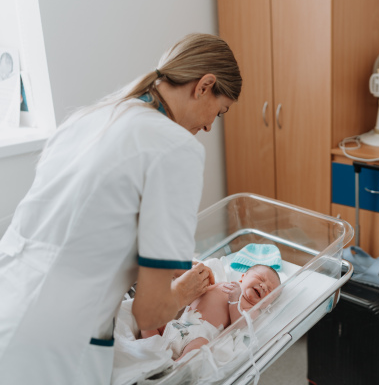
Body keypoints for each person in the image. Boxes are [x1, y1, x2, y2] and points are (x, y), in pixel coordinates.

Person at [0, 33, 242, 384]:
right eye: (219, 112)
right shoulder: (177, 147)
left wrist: (163, 266)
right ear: (205, 85)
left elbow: (82, 227)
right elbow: (149, 313)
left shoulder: (91, 117)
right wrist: (181, 293)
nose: (208, 126)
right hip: (53, 341)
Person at [141, 264, 281, 361]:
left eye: (270, 290)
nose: (263, 286)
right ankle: (151, 352)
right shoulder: (222, 285)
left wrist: (235, 301)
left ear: (267, 303)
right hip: (179, 325)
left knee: (197, 353)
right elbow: (197, 291)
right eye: (261, 279)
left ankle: (173, 371)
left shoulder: (252, 310)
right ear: (242, 277)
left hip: (198, 337)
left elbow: (240, 324)